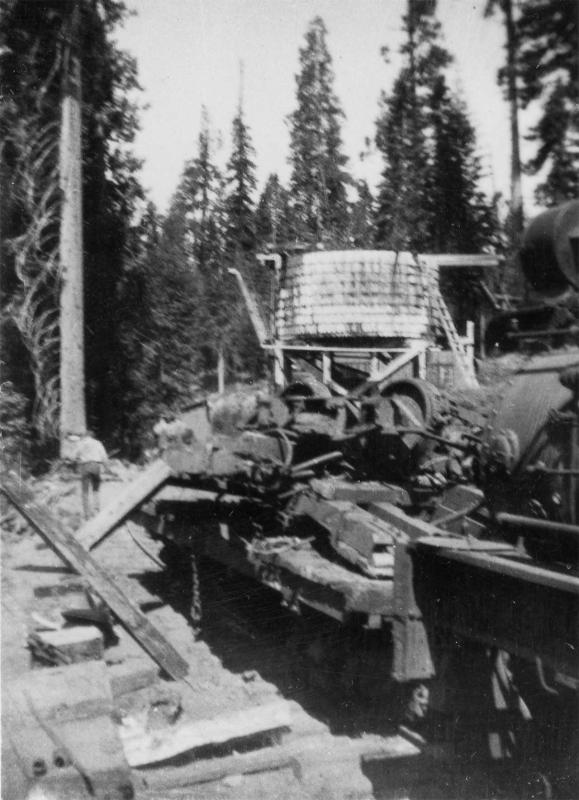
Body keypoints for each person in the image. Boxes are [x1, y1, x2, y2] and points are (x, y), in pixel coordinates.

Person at [72, 430, 108, 519]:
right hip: (96, 466)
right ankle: (96, 510)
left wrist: (77, 461)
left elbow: (74, 455)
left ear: (85, 436)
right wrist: (106, 467)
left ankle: (87, 514)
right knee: (96, 489)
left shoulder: (81, 443)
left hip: (85, 466)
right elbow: (104, 456)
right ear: (93, 436)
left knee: (85, 491)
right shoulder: (97, 443)